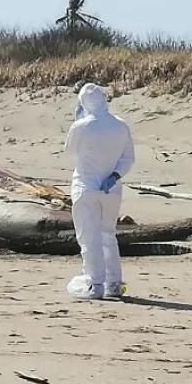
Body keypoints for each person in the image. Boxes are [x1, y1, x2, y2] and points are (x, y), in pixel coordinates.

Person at [64, 83, 135, 300]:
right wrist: (114, 176)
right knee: (107, 234)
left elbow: (69, 151)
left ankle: (95, 284)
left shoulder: (82, 126)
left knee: (88, 237)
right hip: (111, 188)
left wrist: (78, 122)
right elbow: (128, 158)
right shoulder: (120, 125)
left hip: (85, 186)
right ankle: (114, 282)